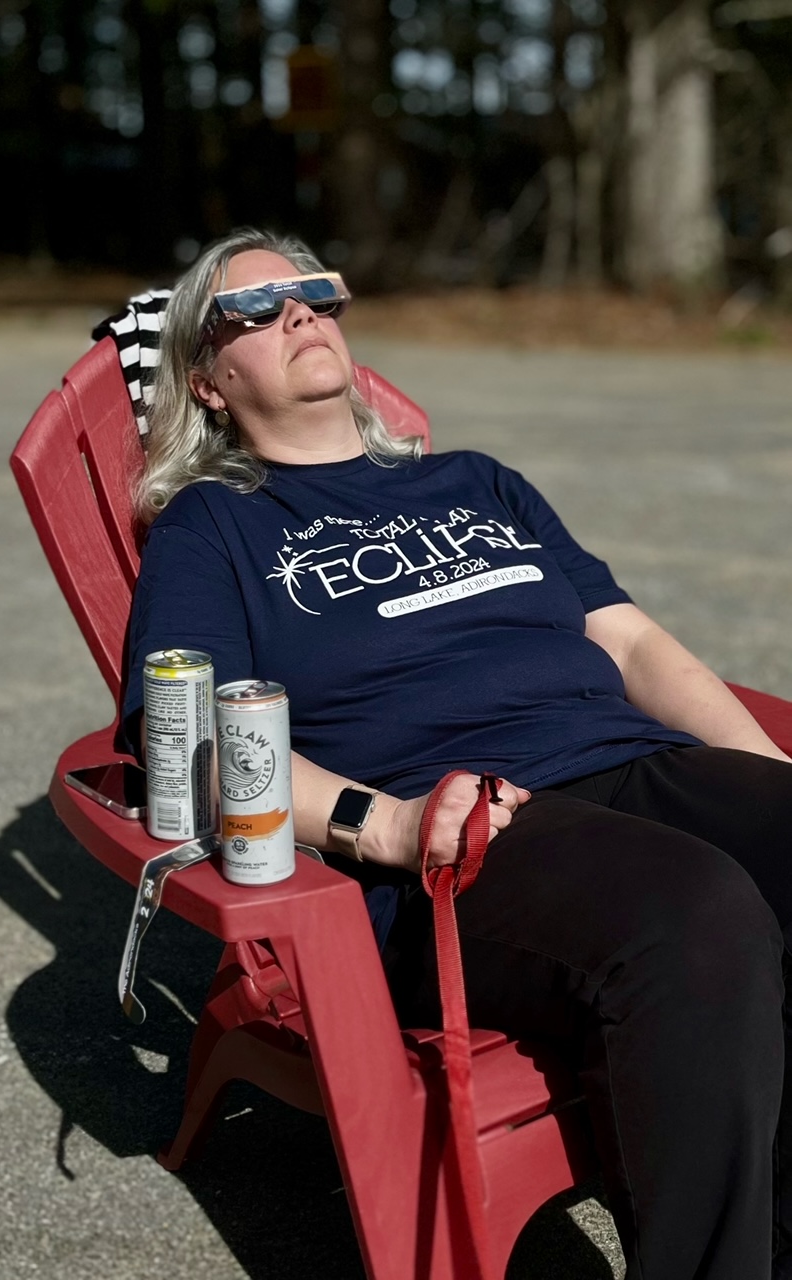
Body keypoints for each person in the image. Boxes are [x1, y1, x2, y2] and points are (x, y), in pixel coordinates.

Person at [122, 225, 792, 1280]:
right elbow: (190, 740)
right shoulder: (214, 528)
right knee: (697, 913)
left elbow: (632, 643)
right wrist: (387, 826)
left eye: (314, 292)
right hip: (468, 831)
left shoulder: (478, 482)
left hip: (626, 756)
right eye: (251, 307)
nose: (296, 312)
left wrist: (765, 781)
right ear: (207, 381)